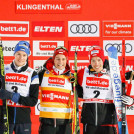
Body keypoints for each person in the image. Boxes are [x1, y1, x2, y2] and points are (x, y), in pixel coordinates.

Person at [76, 45, 132, 134]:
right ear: (89, 61)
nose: (96, 64)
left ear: (103, 59)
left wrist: (130, 101)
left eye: (99, 60)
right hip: (90, 122)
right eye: (93, 60)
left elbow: (121, 94)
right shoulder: (82, 73)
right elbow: (74, 89)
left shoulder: (113, 74)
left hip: (108, 121)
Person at [0, 41, 39, 134]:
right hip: (5, 116)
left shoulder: (32, 74)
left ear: (27, 56)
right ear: (14, 53)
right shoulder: (3, 70)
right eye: (18, 54)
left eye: (24, 55)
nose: (21, 58)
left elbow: (33, 101)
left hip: (23, 119)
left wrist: (13, 96)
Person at [38, 46, 73, 134]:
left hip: (64, 124)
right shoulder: (43, 74)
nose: (60, 62)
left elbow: (83, 92)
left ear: (66, 60)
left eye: (63, 59)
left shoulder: (71, 77)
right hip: (47, 123)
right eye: (57, 59)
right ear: (53, 59)